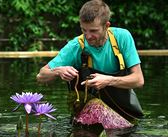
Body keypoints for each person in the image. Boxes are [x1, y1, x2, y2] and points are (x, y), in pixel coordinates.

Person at [37, 0, 144, 135]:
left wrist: (108, 80)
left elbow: (138, 80)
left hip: (123, 116)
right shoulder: (75, 46)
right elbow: (41, 76)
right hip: (87, 123)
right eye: (83, 30)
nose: (88, 36)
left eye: (93, 31)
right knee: (94, 107)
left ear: (107, 26)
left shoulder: (122, 38)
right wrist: (58, 71)